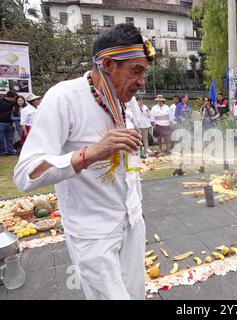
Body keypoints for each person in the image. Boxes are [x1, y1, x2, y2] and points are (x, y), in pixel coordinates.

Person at [14, 24, 151, 300]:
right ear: (109, 65)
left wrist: (134, 206)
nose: (142, 82)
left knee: (136, 295)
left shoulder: (128, 102)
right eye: (136, 71)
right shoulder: (63, 98)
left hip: (133, 223)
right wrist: (90, 153)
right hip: (93, 232)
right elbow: (25, 174)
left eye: (144, 72)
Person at [0, 90, 19, 156]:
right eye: (14, 98)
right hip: (1, 124)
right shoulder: (1, 101)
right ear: (9, 97)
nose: (15, 99)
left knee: (10, 139)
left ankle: (11, 152)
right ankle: (1, 153)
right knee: (0, 139)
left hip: (10, 124)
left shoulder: (14, 102)